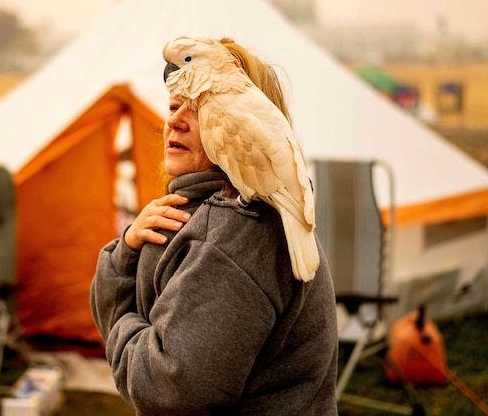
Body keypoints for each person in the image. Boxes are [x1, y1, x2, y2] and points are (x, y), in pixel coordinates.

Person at [90, 37, 339, 415]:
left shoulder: (236, 235)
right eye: (174, 107)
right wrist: (127, 251)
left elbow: (167, 389)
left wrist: (121, 319)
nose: (174, 120)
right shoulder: (201, 216)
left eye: (199, 109)